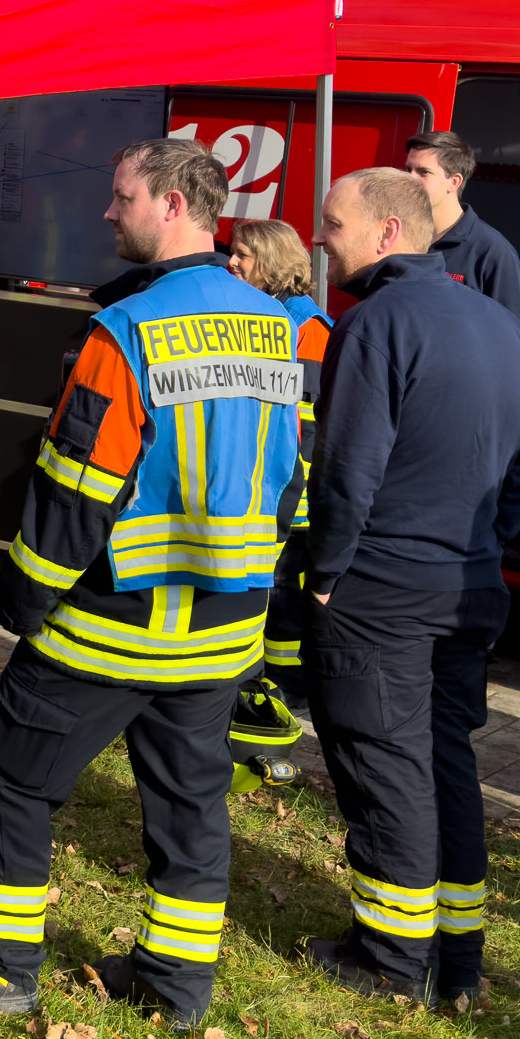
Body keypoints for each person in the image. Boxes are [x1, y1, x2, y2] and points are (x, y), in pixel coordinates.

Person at [0, 138, 301, 1030]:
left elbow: (76, 484)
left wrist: (23, 598)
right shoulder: (275, 323)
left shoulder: (125, 331)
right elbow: (286, 478)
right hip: (224, 625)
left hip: (120, 619)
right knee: (188, 795)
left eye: (121, 197)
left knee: (10, 761)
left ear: (169, 203)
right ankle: (176, 982)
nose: (108, 213)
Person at [294, 171, 520, 1004]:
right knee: (444, 763)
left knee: (384, 768)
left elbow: (346, 468)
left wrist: (322, 573)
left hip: (381, 590)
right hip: (467, 585)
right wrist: (479, 545)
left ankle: (391, 960)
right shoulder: (501, 325)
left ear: (387, 233)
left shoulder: (375, 322)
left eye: (332, 224)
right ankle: (457, 958)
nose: (320, 237)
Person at [226, 217, 332, 710]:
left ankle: (285, 690)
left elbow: (304, 430)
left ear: (270, 263)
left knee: (282, 595)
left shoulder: (306, 331)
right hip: (266, 490)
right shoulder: (270, 318)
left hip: (293, 497)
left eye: (242, 254)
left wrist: (284, 499)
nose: (232, 262)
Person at [403, 130, 520, 325]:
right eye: (408, 169)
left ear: (454, 182)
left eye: (423, 172)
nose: (409, 179)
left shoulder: (493, 252)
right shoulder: (398, 237)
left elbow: (512, 336)